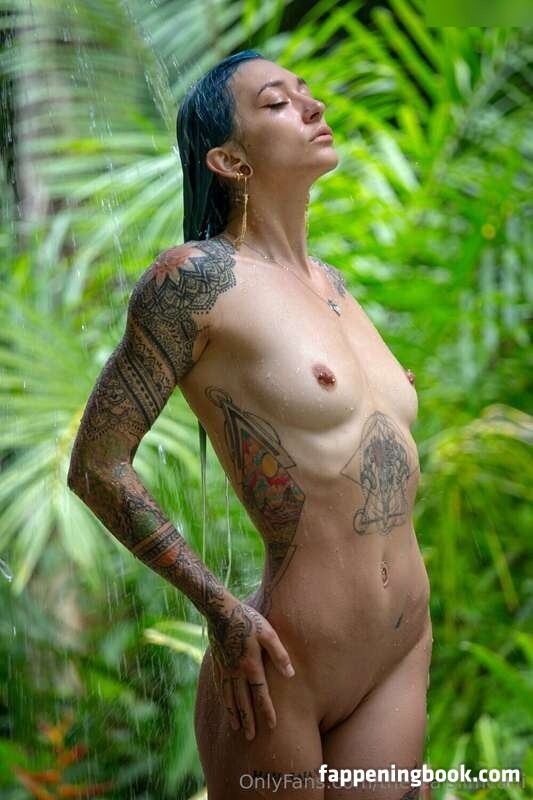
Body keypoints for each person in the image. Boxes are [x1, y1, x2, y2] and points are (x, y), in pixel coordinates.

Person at [67, 49, 433, 799]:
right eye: (277, 103)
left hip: (398, 650)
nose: (313, 107)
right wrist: (219, 607)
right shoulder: (193, 280)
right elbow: (96, 466)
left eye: (306, 93)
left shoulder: (335, 287)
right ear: (229, 160)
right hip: (281, 665)